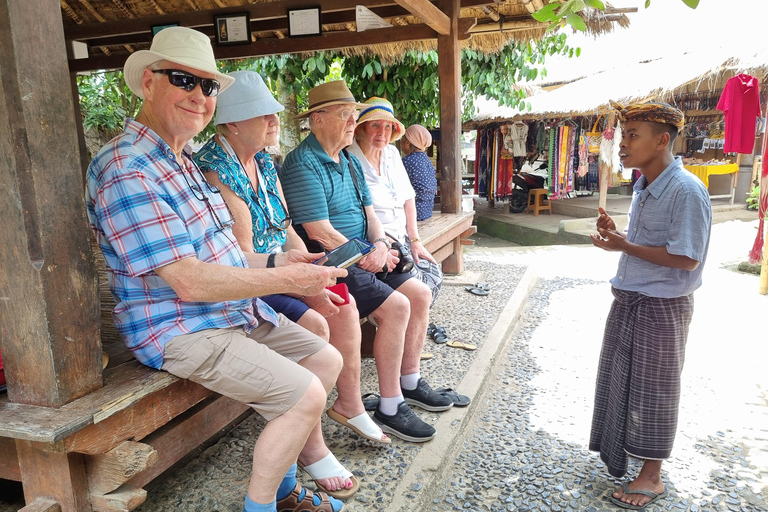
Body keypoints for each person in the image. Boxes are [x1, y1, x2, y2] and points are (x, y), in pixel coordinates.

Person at [85, 27, 348, 512]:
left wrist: (279, 260)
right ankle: (263, 504)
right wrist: (285, 281)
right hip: (177, 328)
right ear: (148, 82)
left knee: (324, 359)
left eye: (208, 87)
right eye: (184, 80)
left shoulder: (180, 160)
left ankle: (286, 486)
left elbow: (224, 260)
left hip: (226, 314)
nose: (199, 97)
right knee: (302, 395)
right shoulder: (128, 167)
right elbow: (187, 280)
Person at [193, 71, 389, 474]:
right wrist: (297, 276)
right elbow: (243, 255)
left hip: (278, 269)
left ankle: (348, 404)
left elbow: (285, 232)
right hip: (247, 278)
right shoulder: (213, 168)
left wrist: (314, 266)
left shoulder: (264, 161)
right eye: (263, 114)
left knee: (343, 305)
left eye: (275, 114)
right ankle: (309, 445)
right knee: (318, 322)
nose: (274, 122)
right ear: (230, 123)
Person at [280, 81, 453, 443]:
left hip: (364, 253)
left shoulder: (347, 157)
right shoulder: (302, 162)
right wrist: (369, 252)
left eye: (354, 114)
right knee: (398, 307)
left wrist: (379, 244)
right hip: (333, 262)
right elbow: (320, 232)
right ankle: (389, 406)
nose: (352, 122)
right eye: (346, 114)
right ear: (318, 119)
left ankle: (409, 381)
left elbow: (370, 213)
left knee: (419, 294)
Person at [589, 102, 712, 510]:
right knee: (622, 380)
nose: (622, 144)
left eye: (633, 134)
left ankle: (652, 475)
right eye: (623, 135)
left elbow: (686, 257)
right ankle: (625, 456)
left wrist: (625, 245)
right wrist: (620, 237)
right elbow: (652, 248)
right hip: (633, 296)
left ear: (663, 140)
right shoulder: (646, 185)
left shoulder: (686, 189)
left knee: (655, 391)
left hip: (662, 305)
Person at [348, 98, 443, 306]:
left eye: (388, 126)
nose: (382, 132)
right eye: (375, 125)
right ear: (360, 128)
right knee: (416, 294)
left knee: (434, 275)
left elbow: (408, 198)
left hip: (403, 239)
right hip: (376, 241)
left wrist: (416, 241)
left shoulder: (391, 153)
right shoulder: (349, 159)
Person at [401, 124, 438, 222]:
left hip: (413, 213)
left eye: (402, 139)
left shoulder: (407, 161)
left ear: (407, 143)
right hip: (427, 211)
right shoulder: (426, 160)